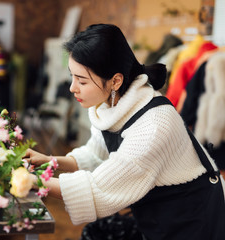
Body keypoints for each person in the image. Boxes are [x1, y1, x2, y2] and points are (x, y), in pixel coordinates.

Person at [23, 24, 225, 240]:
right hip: (156, 219)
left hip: (191, 224)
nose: (73, 88)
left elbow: (97, 188)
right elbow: (95, 156)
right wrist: (50, 161)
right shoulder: (112, 106)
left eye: (81, 80)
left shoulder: (153, 126)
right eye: (72, 77)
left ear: (115, 81)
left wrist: (31, 181)